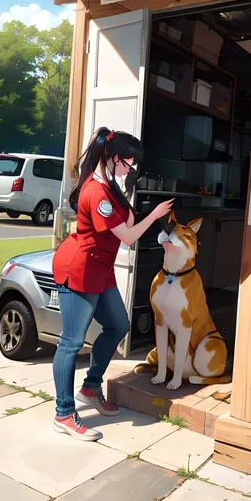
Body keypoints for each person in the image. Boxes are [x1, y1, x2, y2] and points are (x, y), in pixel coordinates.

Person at [52, 126, 173, 441]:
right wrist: (156, 213)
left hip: (99, 269)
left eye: (133, 165)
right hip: (79, 268)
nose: (130, 169)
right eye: (128, 163)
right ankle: (63, 413)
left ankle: (90, 388)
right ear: (113, 157)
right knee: (71, 342)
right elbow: (129, 237)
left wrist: (130, 191)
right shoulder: (96, 192)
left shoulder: (112, 186)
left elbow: (128, 221)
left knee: (118, 326)